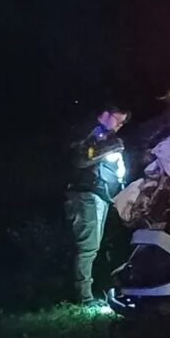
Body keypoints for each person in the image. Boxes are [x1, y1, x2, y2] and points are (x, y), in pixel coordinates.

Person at [65, 104, 130, 305]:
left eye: (122, 122)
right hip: (86, 195)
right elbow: (80, 159)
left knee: (92, 246)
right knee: (87, 247)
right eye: (117, 120)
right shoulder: (88, 132)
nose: (119, 126)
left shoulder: (105, 136)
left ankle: (86, 292)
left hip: (99, 196)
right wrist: (109, 147)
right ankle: (83, 297)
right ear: (104, 114)